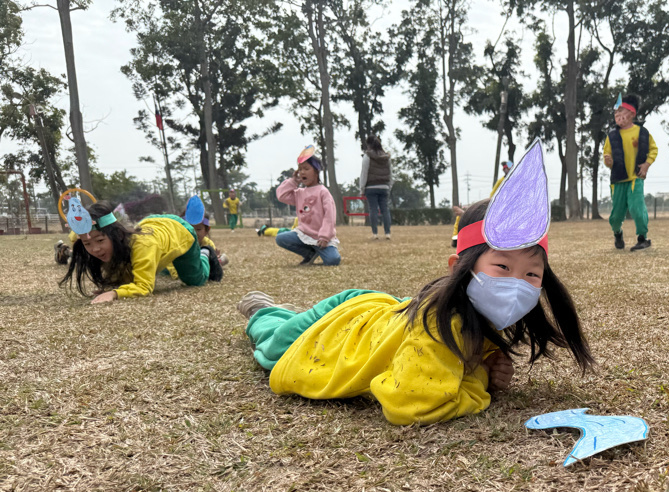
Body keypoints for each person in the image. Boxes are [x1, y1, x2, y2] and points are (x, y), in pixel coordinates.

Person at [238, 143, 592, 425]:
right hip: (344, 327)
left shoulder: (475, 313)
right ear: (459, 268)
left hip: (374, 314)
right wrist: (481, 377)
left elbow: (458, 358)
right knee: (273, 345)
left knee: (293, 325)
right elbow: (409, 404)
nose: (516, 285)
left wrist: (488, 360)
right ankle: (263, 312)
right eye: (502, 266)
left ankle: (283, 314)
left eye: (532, 275)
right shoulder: (442, 327)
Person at [60, 201, 222, 304]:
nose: (95, 249)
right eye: (87, 244)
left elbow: (144, 287)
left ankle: (205, 252)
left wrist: (115, 293)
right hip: (151, 223)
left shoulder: (143, 245)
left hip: (180, 230)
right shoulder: (107, 246)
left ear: (116, 235)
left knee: (195, 280)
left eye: (100, 240)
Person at [603, 93, 657, 252]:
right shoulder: (612, 136)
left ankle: (642, 238)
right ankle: (617, 233)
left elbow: (653, 149)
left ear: (632, 113)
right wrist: (608, 162)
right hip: (618, 180)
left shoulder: (642, 133)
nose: (617, 115)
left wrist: (647, 164)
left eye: (621, 111)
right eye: (615, 113)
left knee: (637, 209)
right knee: (616, 216)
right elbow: (607, 155)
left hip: (635, 179)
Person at [274, 155, 340, 265]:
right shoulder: (299, 193)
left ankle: (320, 249)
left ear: (316, 171)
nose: (302, 172)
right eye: (300, 169)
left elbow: (329, 216)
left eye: (306, 168)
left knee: (333, 260)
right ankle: (309, 253)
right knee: (280, 239)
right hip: (303, 235)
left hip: (321, 239)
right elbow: (281, 196)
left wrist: (324, 237)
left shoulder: (323, 192)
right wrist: (293, 181)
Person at [451, 160, 512, 248]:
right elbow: (493, 193)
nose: (507, 171)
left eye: (508, 169)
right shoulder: (501, 181)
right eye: (506, 169)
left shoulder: (515, 180)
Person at [360, 135, 393, 241]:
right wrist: (389, 186)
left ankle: (375, 233)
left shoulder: (367, 156)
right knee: (385, 210)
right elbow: (390, 173)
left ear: (368, 144)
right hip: (384, 186)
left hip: (371, 187)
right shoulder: (386, 157)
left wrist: (362, 188)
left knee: (373, 209)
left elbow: (364, 173)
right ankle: (387, 233)